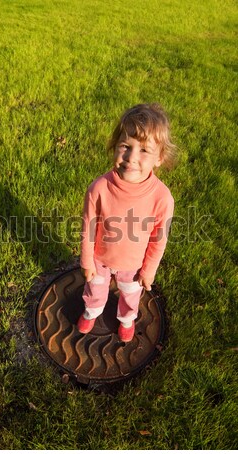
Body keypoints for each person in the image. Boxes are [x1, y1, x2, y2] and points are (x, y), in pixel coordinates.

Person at [77, 103, 176, 342]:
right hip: (100, 259)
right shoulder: (100, 188)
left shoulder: (161, 198)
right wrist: (87, 260)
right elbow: (88, 227)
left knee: (131, 295)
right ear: (115, 147)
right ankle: (92, 311)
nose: (132, 157)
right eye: (125, 146)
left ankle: (126, 318)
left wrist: (149, 270)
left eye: (144, 150)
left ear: (160, 158)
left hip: (133, 265)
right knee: (95, 289)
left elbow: (158, 239)